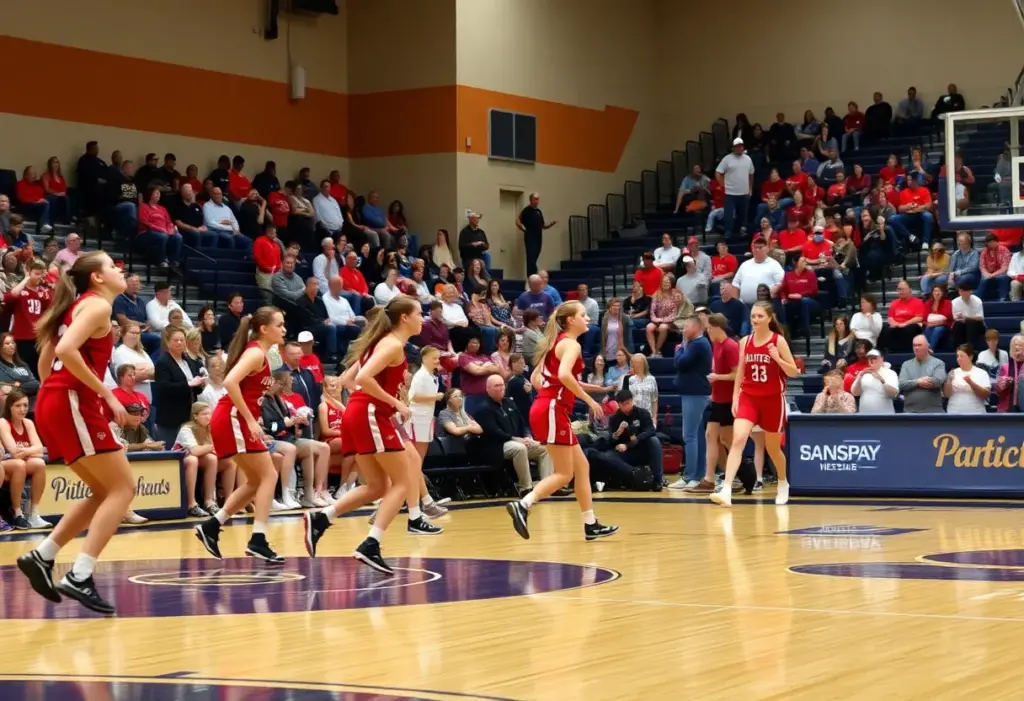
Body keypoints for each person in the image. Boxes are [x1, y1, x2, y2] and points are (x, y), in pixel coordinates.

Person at [16, 252, 132, 614]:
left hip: (57, 401)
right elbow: (65, 350)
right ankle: (80, 575)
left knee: (105, 490)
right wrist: (106, 394)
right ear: (97, 277)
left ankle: (43, 555)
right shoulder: (98, 306)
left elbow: (46, 361)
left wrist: (55, 392)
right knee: (124, 488)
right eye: (112, 266)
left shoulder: (76, 306)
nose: (119, 270)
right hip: (71, 401)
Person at [303, 297, 442, 576]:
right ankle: (371, 544)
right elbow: (362, 378)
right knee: (403, 480)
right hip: (370, 415)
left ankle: (321, 518)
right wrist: (395, 402)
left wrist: (381, 399)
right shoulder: (391, 344)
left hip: (363, 413)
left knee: (378, 486)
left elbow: (348, 380)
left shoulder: (383, 343)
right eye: (419, 313)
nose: (423, 318)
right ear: (404, 317)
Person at [505, 301, 618, 541]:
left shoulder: (555, 343)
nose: (588, 318)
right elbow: (565, 376)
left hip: (548, 407)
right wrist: (589, 400)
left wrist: (593, 389)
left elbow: (538, 380)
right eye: (583, 315)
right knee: (565, 474)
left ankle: (590, 524)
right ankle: (524, 504)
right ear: (570, 320)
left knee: (582, 467)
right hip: (552, 410)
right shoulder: (571, 345)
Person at [194, 307, 286, 565]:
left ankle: (212, 526)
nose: (284, 329)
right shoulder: (255, 352)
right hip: (233, 418)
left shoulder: (261, 353)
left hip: (235, 419)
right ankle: (258, 539)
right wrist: (250, 419)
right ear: (264, 329)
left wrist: (253, 418)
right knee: (269, 475)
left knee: (256, 480)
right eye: (279, 324)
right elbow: (230, 382)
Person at [711, 301, 799, 507]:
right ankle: (726, 490)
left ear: (769, 318)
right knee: (738, 439)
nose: (755, 320)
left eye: (760, 316)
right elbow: (740, 371)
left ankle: (783, 482)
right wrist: (735, 396)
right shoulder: (745, 341)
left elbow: (793, 372)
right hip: (749, 397)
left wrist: (777, 359)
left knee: (773, 449)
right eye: (753, 316)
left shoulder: (778, 341)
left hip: (772, 399)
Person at [680, 313, 736, 493]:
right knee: (710, 436)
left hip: (728, 400)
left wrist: (718, 377)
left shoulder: (730, 346)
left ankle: (737, 477)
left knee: (727, 439)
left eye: (710, 329)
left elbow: (738, 375)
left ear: (718, 327)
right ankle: (709, 479)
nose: (708, 332)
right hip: (717, 399)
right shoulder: (716, 345)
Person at [476, 374, 554, 494]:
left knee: (545, 448)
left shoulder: (509, 402)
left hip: (517, 441)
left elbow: (523, 423)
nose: (501, 388)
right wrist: (515, 438)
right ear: (488, 389)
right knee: (519, 448)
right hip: (496, 446)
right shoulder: (483, 408)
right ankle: (526, 487)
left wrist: (527, 436)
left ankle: (547, 486)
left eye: (502, 385)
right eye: (497, 386)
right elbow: (494, 432)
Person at [669, 316, 712, 490]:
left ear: (696, 327)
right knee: (697, 436)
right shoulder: (698, 343)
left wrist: (680, 348)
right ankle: (697, 474)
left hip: (695, 393)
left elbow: (680, 363)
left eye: (686, 326)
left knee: (690, 436)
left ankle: (691, 476)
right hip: (694, 393)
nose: (683, 330)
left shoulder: (697, 344)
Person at [0, 388, 49, 529]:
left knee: (39, 463)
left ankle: (33, 514)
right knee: (19, 464)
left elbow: (40, 450)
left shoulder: (28, 423)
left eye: (25, 405)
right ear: (10, 407)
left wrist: (27, 451)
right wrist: (32, 451)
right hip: (6, 462)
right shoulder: (3, 422)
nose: (22, 409)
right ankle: (18, 513)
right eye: (18, 406)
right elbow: (14, 452)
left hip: (19, 461)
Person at [174, 401, 231, 517]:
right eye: (204, 414)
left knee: (228, 461)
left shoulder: (211, 428)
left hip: (201, 459)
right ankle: (191, 504)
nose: (208, 417)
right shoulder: (187, 429)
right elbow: (194, 451)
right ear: (195, 416)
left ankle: (218, 501)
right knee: (193, 460)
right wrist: (211, 447)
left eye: (210, 414)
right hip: (181, 460)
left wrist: (212, 448)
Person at [898, 335, 948, 413]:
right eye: (914, 345)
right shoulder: (906, 364)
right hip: (910, 412)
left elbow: (938, 381)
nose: (916, 348)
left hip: (934, 412)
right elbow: (902, 384)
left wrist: (915, 383)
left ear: (927, 347)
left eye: (919, 345)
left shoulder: (938, 363)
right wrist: (917, 382)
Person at [944, 344, 991, 414]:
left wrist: (971, 383)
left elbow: (985, 395)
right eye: (957, 356)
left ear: (970, 357)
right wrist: (949, 380)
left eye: (961, 356)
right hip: (954, 413)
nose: (958, 359)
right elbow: (946, 394)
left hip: (976, 413)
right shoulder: (953, 372)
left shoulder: (981, 373)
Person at [851, 349, 899, 414]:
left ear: (881, 359)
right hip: (865, 414)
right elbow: (855, 393)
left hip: (885, 414)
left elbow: (894, 394)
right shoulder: (863, 373)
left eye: (874, 358)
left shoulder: (890, 373)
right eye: (869, 358)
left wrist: (881, 380)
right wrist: (859, 377)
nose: (871, 360)